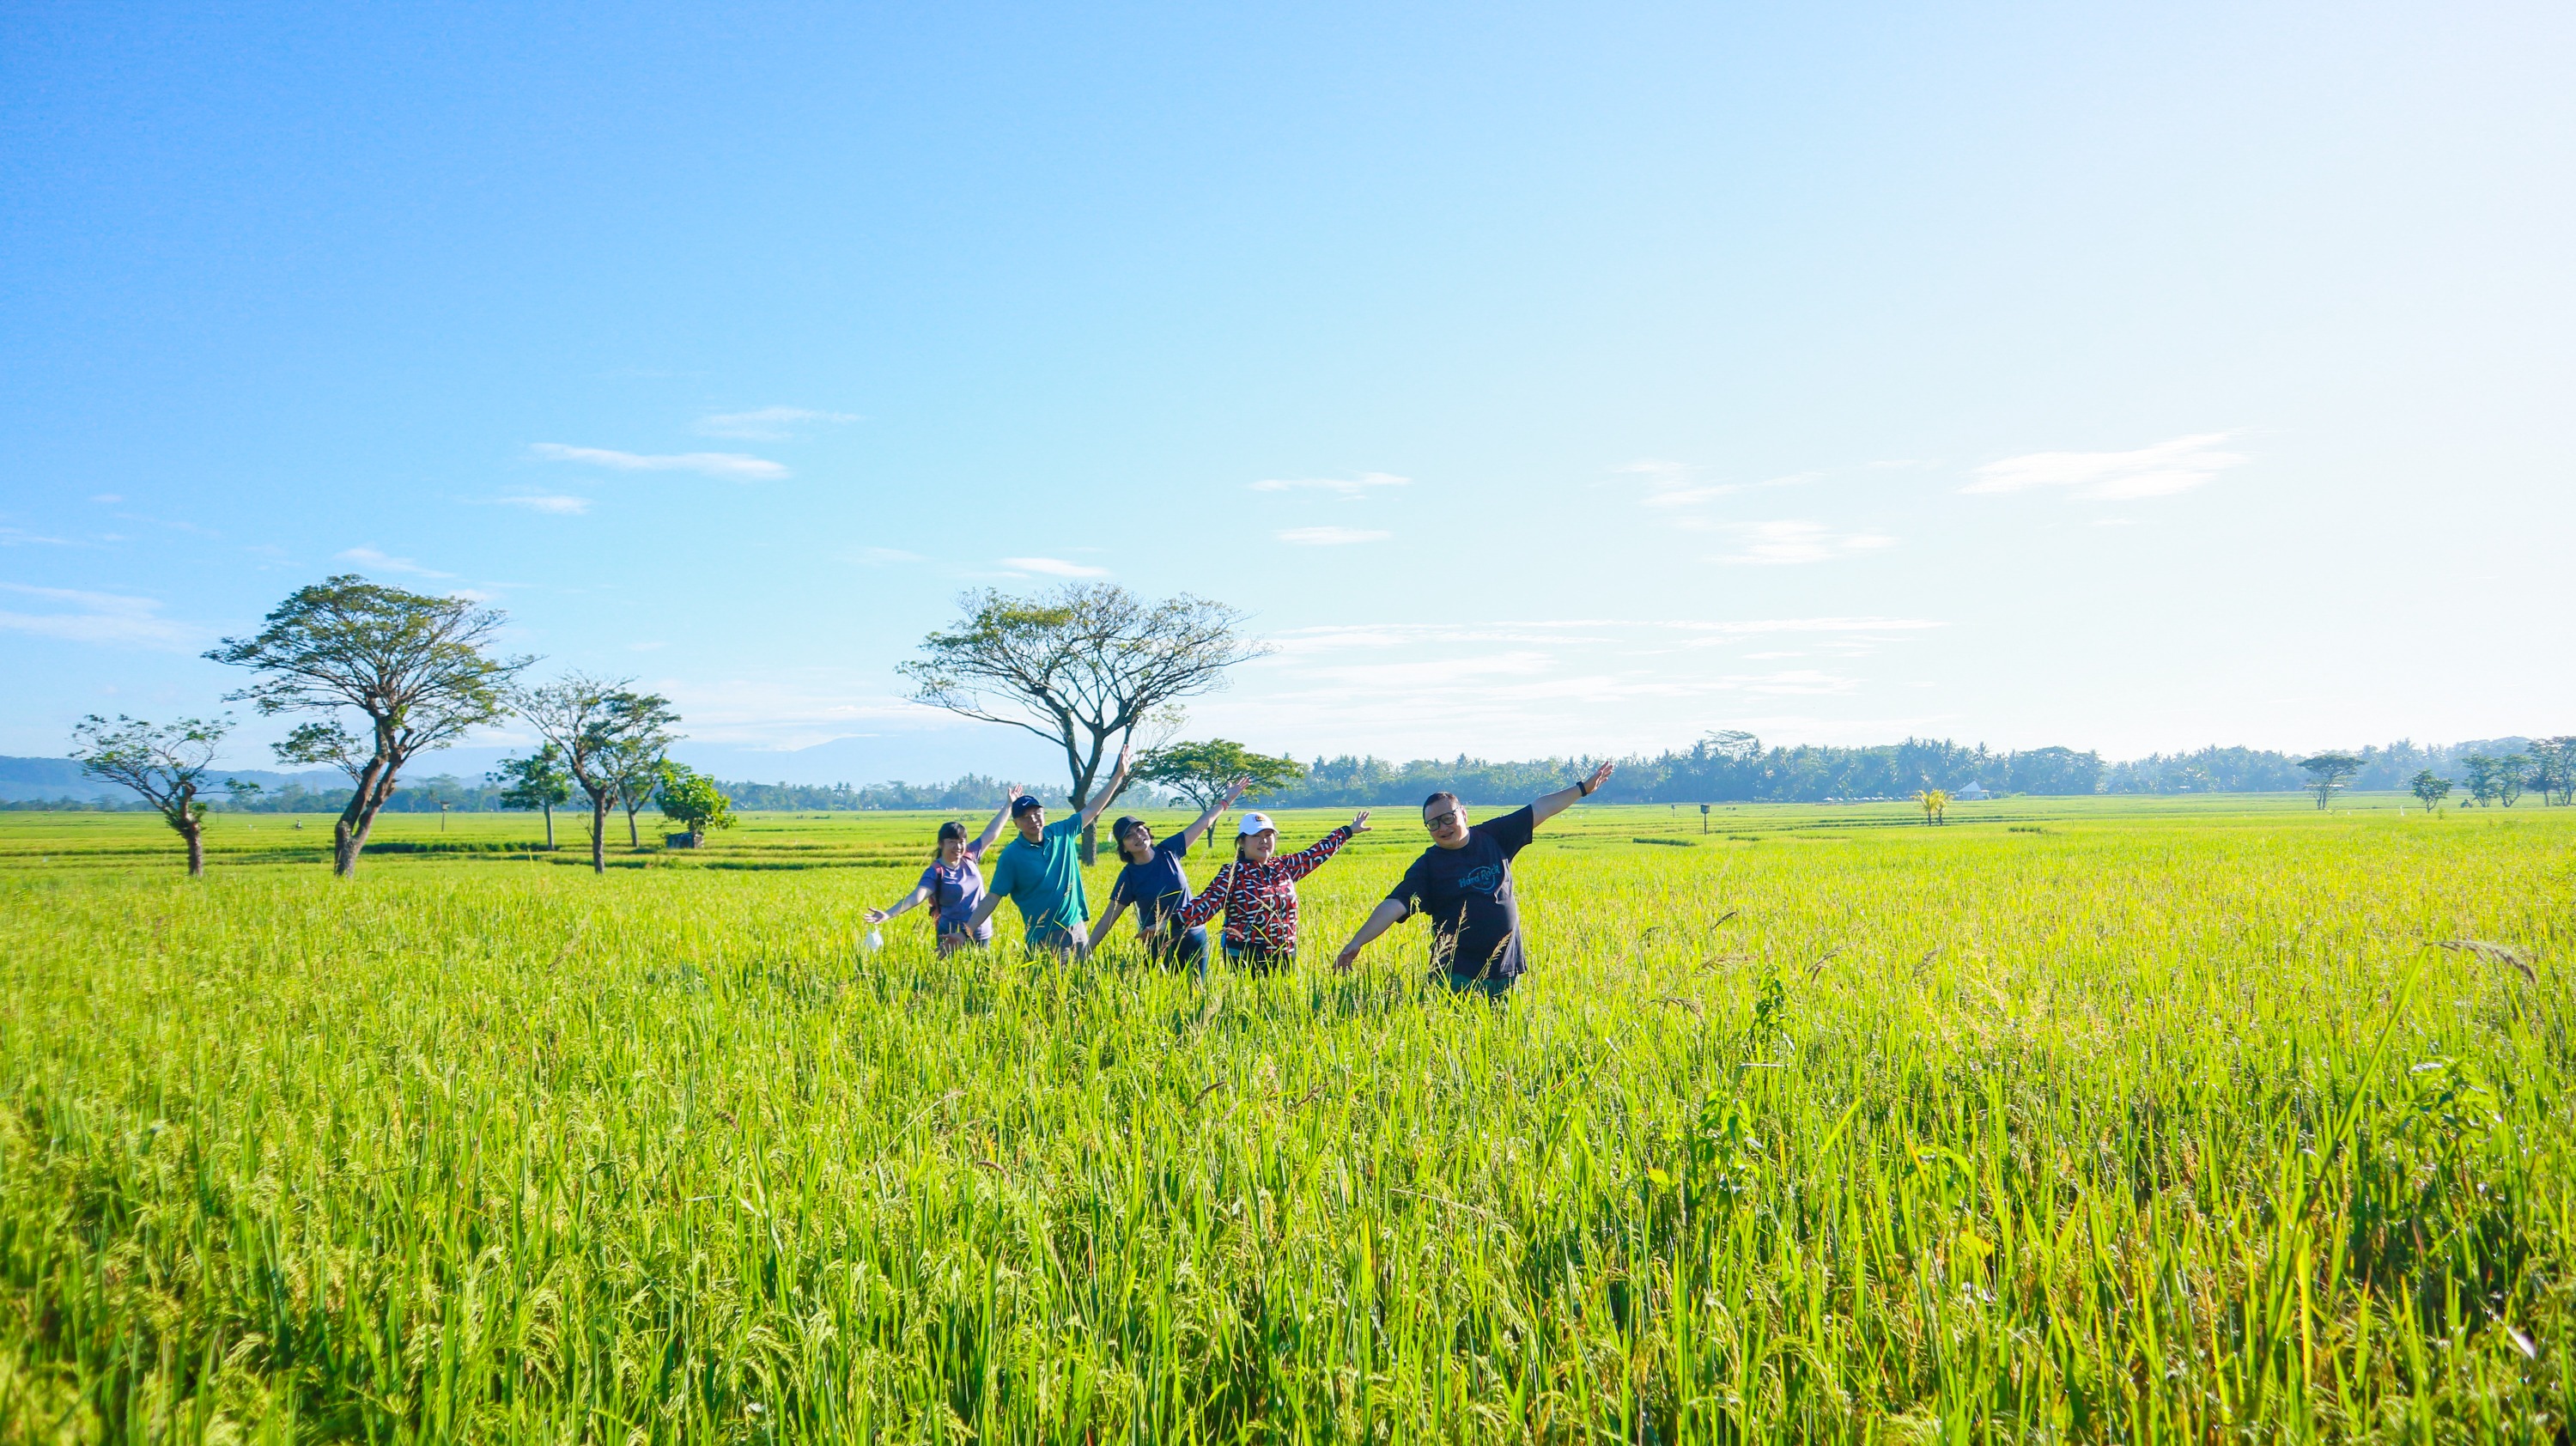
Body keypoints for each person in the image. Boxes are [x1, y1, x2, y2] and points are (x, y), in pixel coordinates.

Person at [1333, 761, 1615, 998]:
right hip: (1456, 975)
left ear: (1463, 814)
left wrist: (1582, 789)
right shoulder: (1429, 865)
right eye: (1433, 824)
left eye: (1447, 818)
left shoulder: (1494, 836)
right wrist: (1356, 943)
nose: (1442, 828)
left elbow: (1540, 808)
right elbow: (1394, 905)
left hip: (1506, 969)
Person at [963, 744, 1133, 957]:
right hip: (1044, 936)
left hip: (1077, 927)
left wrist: (1118, 776)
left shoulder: (1063, 832)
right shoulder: (1012, 855)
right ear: (1016, 824)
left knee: (1083, 984)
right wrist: (965, 932)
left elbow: (1092, 808)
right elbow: (992, 898)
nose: (1032, 819)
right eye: (1025, 817)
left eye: (1036, 813)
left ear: (1043, 813)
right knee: (1050, 987)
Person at [1085, 775, 1254, 977]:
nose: (1138, 837)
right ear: (1124, 848)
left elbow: (1203, 823)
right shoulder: (1129, 876)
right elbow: (1108, 918)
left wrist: (1227, 801)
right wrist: (1086, 951)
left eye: (1140, 830)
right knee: (1163, 998)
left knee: (1196, 995)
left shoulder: (1169, 851)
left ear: (1148, 831)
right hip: (1158, 945)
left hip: (1193, 937)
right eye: (1129, 836)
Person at [1175, 807, 1371, 974]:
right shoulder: (1233, 873)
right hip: (1246, 955)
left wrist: (1348, 831)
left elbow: (1317, 853)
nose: (1264, 841)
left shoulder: (1283, 866)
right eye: (1256, 836)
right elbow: (1205, 904)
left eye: (1268, 835)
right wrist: (1170, 923)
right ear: (1242, 842)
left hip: (1285, 952)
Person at [863, 783, 1018, 955]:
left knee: (980, 975)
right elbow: (917, 896)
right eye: (952, 841)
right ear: (941, 844)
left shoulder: (970, 855)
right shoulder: (936, 871)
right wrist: (888, 914)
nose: (958, 846)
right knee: (951, 978)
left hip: (980, 932)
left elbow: (991, 832)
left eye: (961, 841)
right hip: (951, 935)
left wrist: (1009, 805)